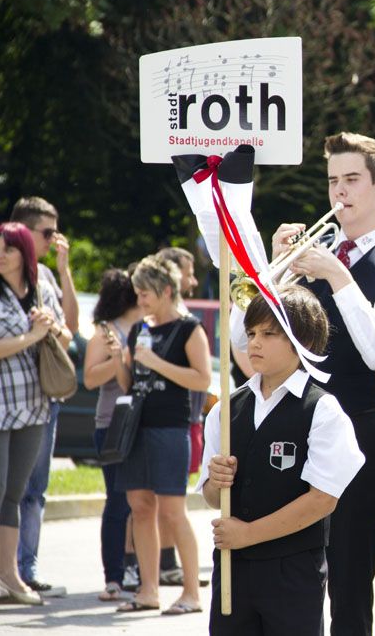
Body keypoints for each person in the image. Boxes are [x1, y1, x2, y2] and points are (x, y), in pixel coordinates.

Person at [267, 132, 375, 635]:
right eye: (333, 180)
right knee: (289, 567)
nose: (339, 191)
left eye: (352, 179)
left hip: (362, 426)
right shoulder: (312, 257)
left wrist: (338, 275)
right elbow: (249, 342)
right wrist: (273, 269)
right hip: (299, 420)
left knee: (350, 578)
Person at [201, 285, 365, 635]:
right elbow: (212, 497)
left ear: (301, 341)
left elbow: (323, 500)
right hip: (233, 567)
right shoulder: (226, 409)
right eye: (251, 333)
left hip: (292, 571)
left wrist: (248, 534)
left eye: (269, 334)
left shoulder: (322, 409)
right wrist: (216, 482)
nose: (254, 343)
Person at [115, 255, 210, 615]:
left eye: (145, 294)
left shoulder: (189, 329)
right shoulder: (139, 329)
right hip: (136, 428)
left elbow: (202, 379)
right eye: (137, 293)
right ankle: (148, 590)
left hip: (170, 428)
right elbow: (128, 383)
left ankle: (191, 593)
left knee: (172, 512)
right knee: (140, 508)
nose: (139, 300)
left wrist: (157, 363)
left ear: (166, 290)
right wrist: (120, 361)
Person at [0, 222, 71, 607]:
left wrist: (51, 329)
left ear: (25, 254)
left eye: (8, 248)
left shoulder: (41, 290)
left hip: (35, 404)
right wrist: (31, 337)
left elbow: (67, 337)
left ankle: (9, 574)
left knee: (14, 492)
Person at [9, 196, 78, 598]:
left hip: (44, 396)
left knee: (35, 489)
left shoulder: (47, 277)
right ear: (23, 230)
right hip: (4, 398)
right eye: (48, 232)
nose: (55, 240)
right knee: (3, 488)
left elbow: (70, 331)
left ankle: (26, 569)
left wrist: (64, 271)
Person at [82, 268, 142, 602]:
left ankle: (136, 568)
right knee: (118, 502)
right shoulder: (106, 332)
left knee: (140, 502)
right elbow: (90, 378)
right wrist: (120, 358)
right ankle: (114, 576)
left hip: (142, 424)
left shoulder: (147, 327)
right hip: (112, 425)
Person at [157, 245, 206, 585]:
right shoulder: (174, 323)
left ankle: (164, 563)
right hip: (175, 420)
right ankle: (162, 565)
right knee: (165, 502)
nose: (194, 280)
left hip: (188, 418)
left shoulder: (184, 320)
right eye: (188, 273)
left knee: (169, 501)